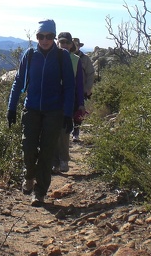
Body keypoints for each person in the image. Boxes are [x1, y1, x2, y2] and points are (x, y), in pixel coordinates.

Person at [7, 19, 75, 206]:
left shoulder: (62, 57)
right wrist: (11, 108)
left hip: (54, 111)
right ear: (36, 37)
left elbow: (69, 87)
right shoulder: (29, 55)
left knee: (46, 153)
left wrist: (68, 114)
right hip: (32, 109)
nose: (45, 40)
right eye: (40, 36)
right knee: (28, 148)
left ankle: (40, 192)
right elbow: (18, 82)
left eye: (49, 36)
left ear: (54, 36)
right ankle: (29, 176)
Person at [53, 32, 84, 173]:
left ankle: (63, 159)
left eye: (67, 42)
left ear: (71, 44)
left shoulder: (76, 60)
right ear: (58, 43)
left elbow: (79, 84)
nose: (64, 45)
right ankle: (55, 162)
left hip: (68, 100)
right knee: (51, 131)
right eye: (62, 42)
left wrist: (81, 103)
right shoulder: (51, 57)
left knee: (64, 131)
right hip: (52, 99)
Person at [72, 37, 95, 142]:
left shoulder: (85, 59)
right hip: (68, 89)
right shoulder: (66, 56)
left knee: (78, 111)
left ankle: (76, 132)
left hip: (81, 90)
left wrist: (88, 88)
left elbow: (90, 74)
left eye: (76, 44)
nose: (74, 46)